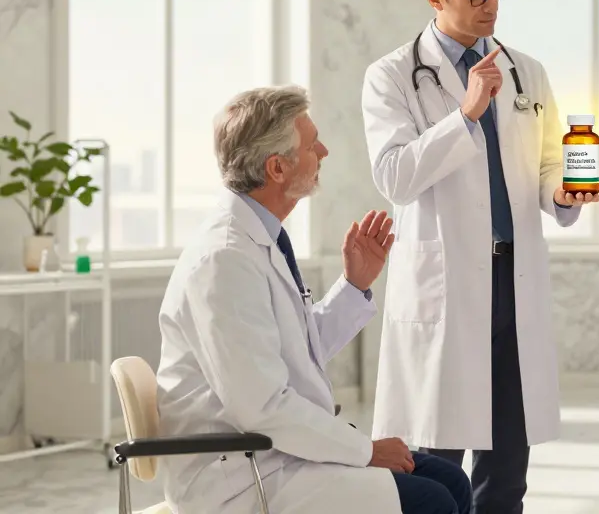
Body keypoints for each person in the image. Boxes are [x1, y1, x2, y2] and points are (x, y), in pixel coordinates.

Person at [361, 0, 599, 514]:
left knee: (507, 471)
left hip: (512, 283)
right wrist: (466, 113)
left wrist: (565, 192)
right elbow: (394, 176)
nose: (491, 4)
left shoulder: (526, 72)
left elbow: (544, 166)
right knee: (437, 467)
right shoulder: (393, 76)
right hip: (444, 288)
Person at [154, 85, 472, 514]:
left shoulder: (259, 238)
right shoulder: (223, 260)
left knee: (451, 480)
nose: (323, 151)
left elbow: (295, 351)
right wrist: (365, 449)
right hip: (236, 475)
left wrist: (355, 284)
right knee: (432, 501)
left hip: (270, 452)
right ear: (277, 168)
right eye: (310, 144)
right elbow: (263, 407)